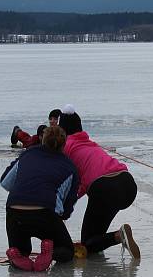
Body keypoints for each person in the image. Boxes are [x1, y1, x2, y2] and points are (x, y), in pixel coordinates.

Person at [58, 105, 140, 259]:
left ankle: (119, 236)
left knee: (87, 243)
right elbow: (83, 182)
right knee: (96, 234)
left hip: (104, 188)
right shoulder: (89, 143)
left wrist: (63, 208)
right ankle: (115, 237)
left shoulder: (67, 147)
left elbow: (71, 183)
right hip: (127, 183)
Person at [1, 125, 79, 271]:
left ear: (42, 140)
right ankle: (50, 253)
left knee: (22, 251)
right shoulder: (69, 167)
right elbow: (69, 202)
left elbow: (5, 182)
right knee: (67, 251)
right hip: (44, 212)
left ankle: (17, 254)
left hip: (14, 210)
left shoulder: (27, 154)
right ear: (64, 144)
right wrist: (62, 216)